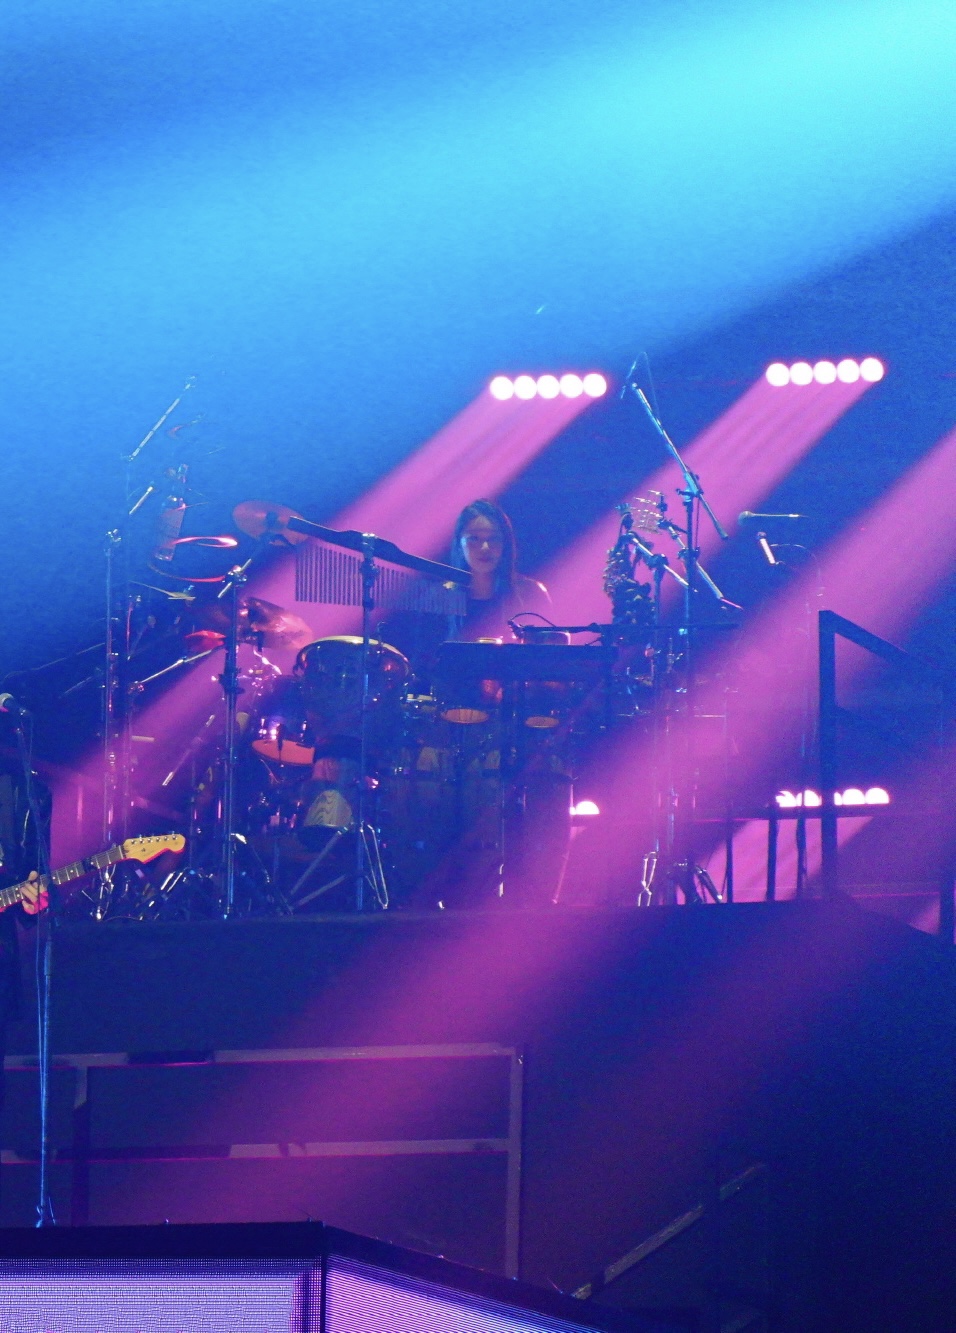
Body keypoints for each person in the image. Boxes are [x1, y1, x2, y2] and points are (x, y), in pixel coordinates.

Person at [448, 499, 551, 642]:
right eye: (474, 538)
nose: (485, 547)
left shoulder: (530, 592)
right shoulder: (443, 598)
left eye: (493, 538)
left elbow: (550, 653)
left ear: (505, 544)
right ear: (459, 545)